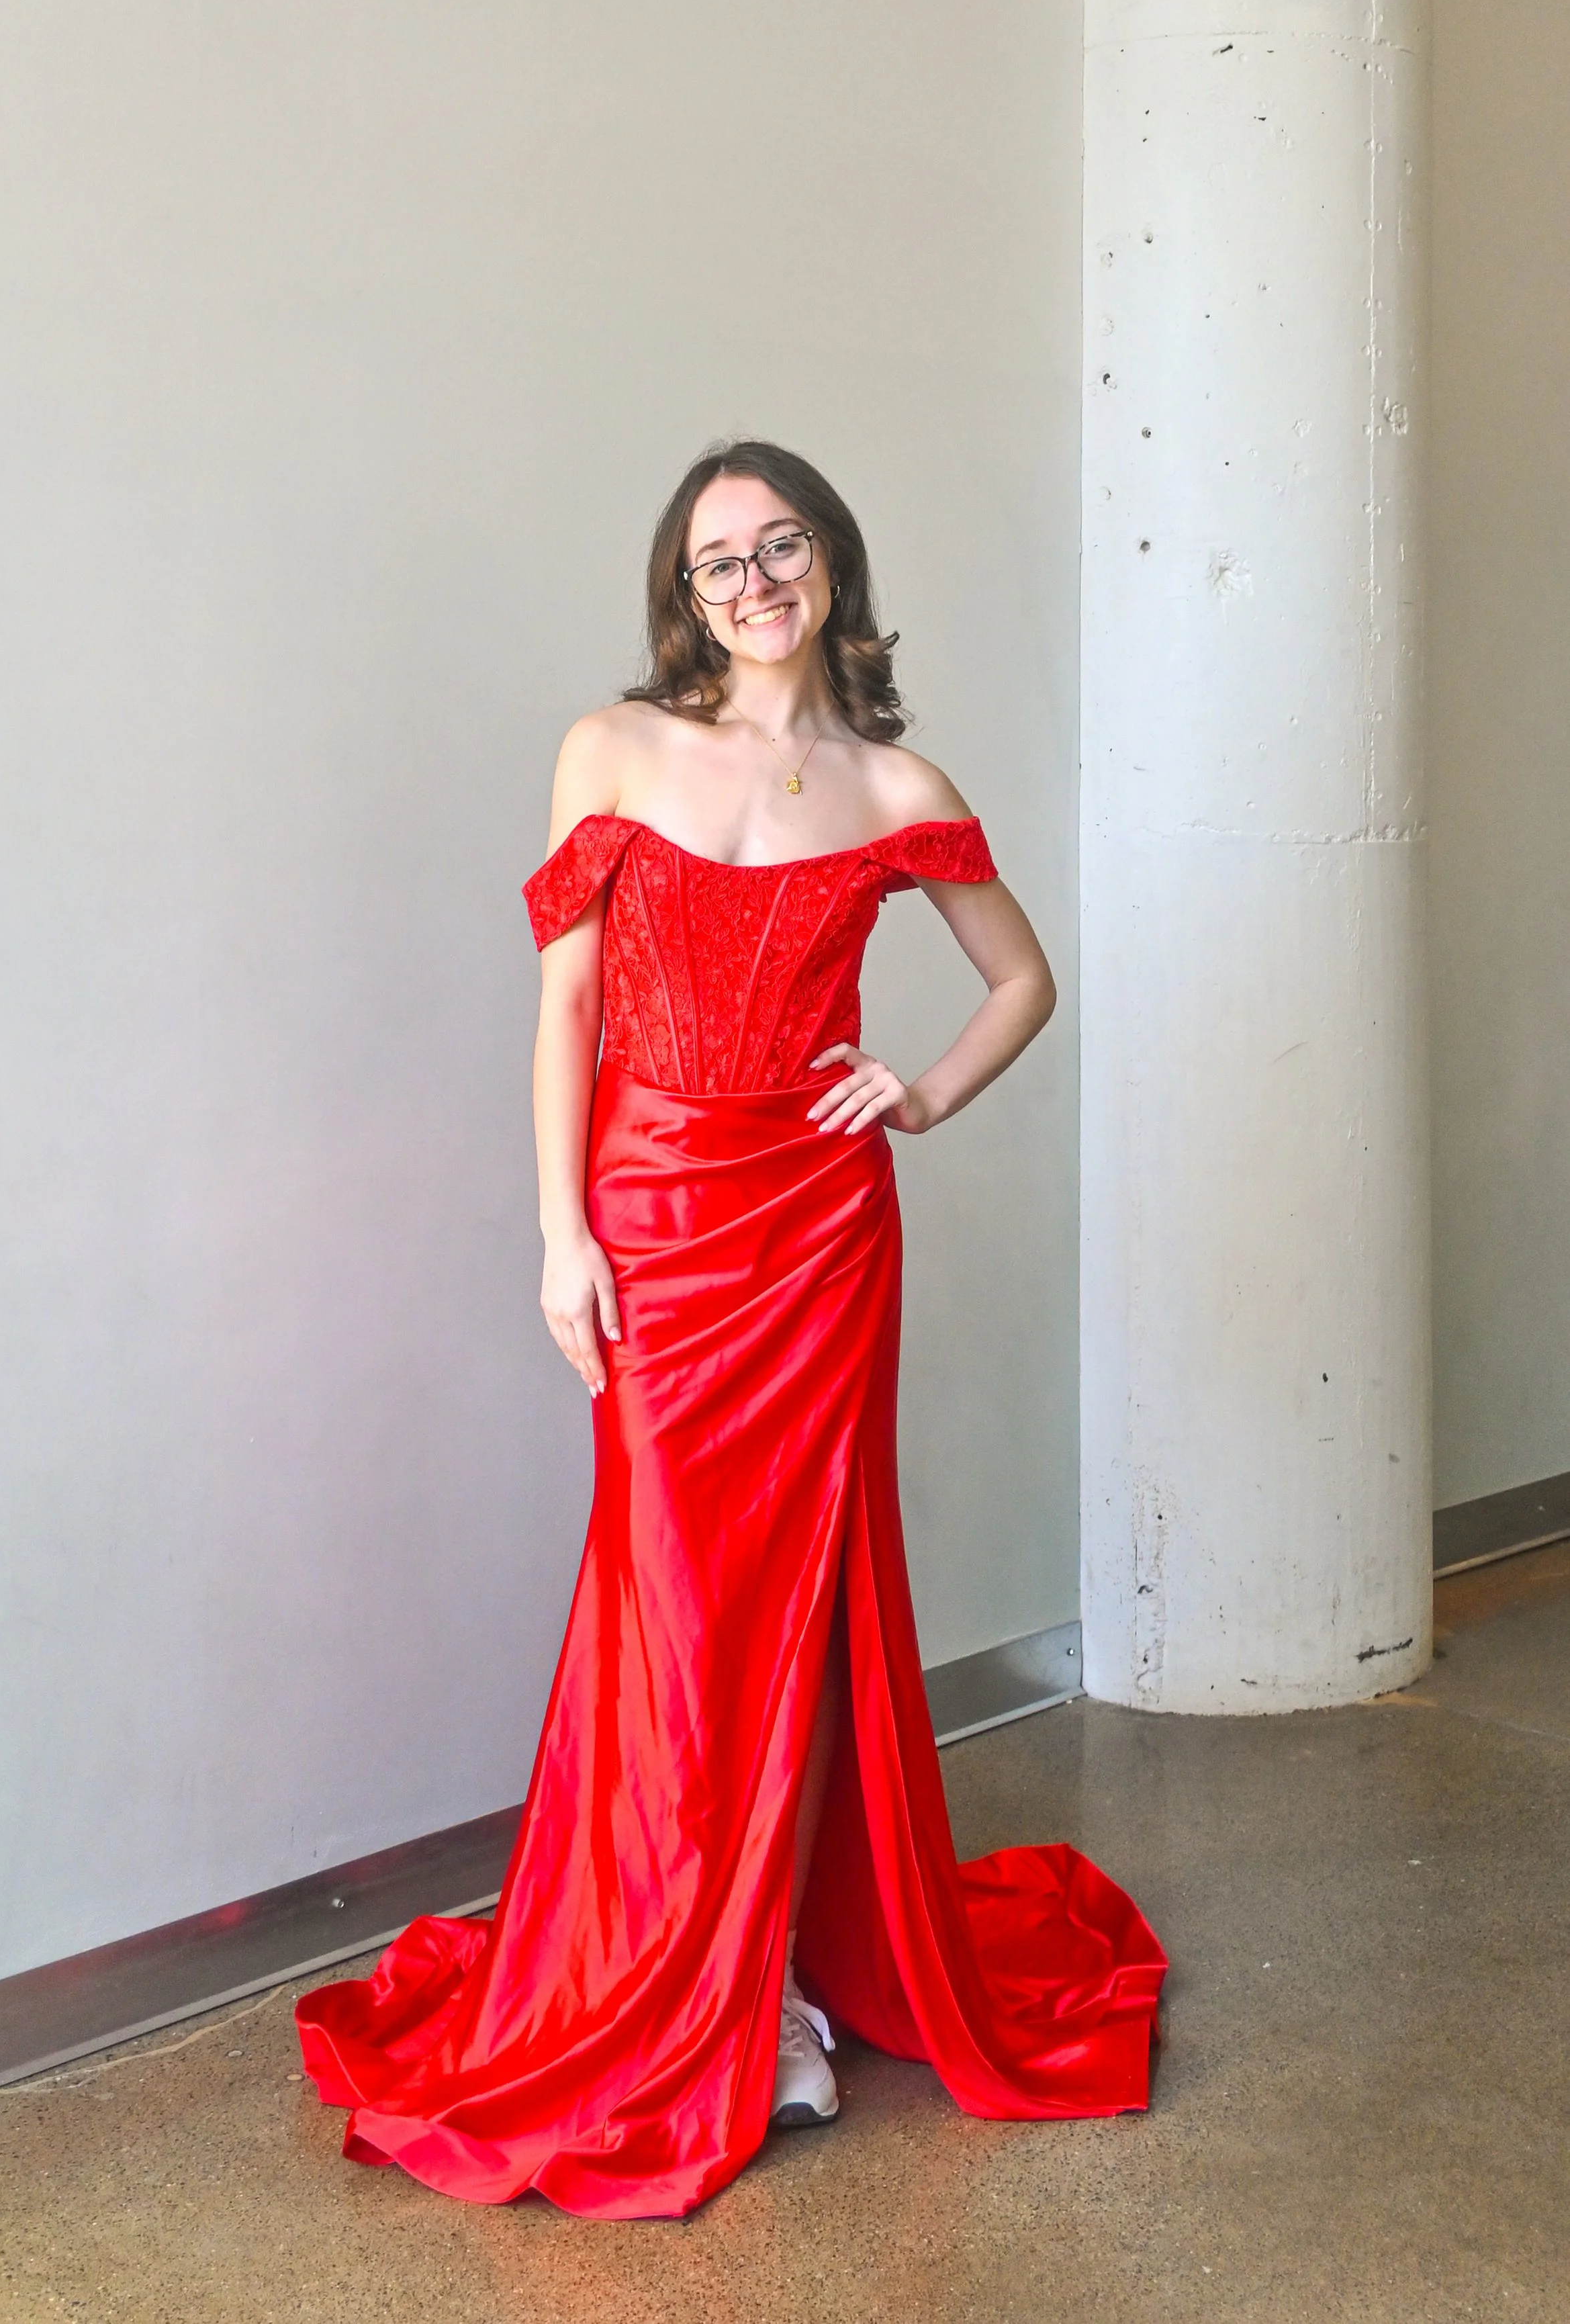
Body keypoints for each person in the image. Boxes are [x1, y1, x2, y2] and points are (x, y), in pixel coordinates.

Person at [297, 441, 1165, 2220]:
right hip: (654, 1227)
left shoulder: (893, 781)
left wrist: (910, 1094)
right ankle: (695, 1975)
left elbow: (1023, 978)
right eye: (716, 560)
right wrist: (559, 1238)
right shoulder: (608, 750)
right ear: (679, 592)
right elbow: (564, 1012)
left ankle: (762, 1984)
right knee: (675, 1604)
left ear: (833, 564)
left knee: (790, 1608)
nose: (752, 578)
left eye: (780, 547)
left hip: (819, 1234)